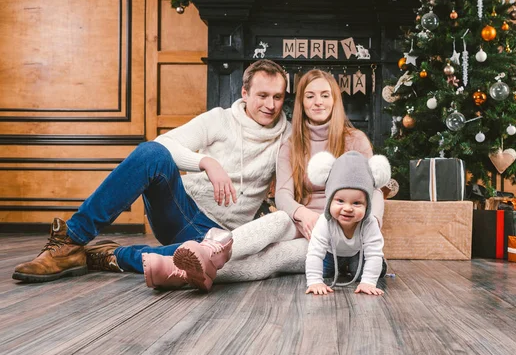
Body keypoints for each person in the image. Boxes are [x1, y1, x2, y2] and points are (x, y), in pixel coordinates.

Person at [12, 59, 292, 283]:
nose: (270, 105)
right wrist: (206, 162)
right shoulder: (219, 120)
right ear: (244, 93)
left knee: (212, 262)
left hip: (216, 236)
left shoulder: (287, 136)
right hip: (181, 210)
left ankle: (112, 256)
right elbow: (165, 143)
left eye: (277, 97)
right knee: (152, 153)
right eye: (262, 95)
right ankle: (71, 240)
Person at [141, 69, 387, 289]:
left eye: (325, 95)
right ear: (301, 102)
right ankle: (208, 252)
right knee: (279, 219)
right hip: (301, 221)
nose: (318, 102)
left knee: (272, 256)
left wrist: (369, 224)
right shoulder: (291, 143)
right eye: (310, 96)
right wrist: (302, 214)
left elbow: (373, 189)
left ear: (335, 100)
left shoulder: (355, 140)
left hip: (339, 232)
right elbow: (282, 195)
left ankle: (177, 272)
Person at [304, 150, 390, 296]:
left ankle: (363, 266)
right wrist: (315, 281)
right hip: (331, 253)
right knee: (322, 271)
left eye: (357, 203)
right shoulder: (325, 222)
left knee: (369, 269)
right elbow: (315, 252)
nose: (348, 208)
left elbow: (373, 253)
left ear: (367, 205)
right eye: (340, 201)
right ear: (329, 200)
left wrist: (368, 282)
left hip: (357, 253)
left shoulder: (369, 223)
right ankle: (342, 267)